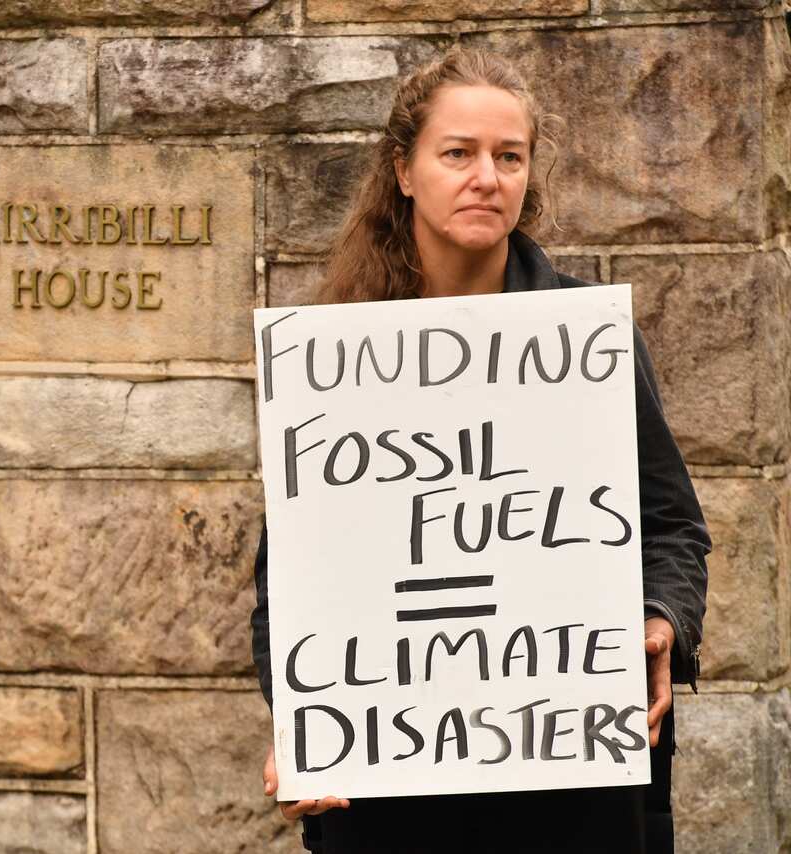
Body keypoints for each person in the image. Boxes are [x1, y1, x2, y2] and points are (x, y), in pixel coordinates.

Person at [249, 48, 711, 854]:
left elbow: (672, 528)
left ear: (530, 173)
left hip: (569, 789)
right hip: (391, 793)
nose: (486, 177)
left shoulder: (587, 340)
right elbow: (288, 582)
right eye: (457, 153)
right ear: (404, 170)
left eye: (509, 156)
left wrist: (662, 618)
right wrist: (300, 717)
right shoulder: (334, 358)